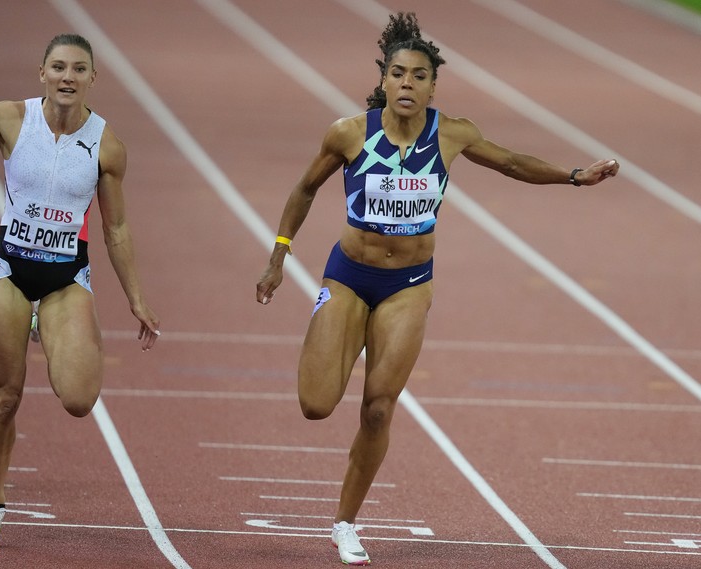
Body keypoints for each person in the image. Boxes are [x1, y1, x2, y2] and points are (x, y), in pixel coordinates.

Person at [255, 12, 618, 566]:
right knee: (316, 405)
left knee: (378, 408)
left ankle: (345, 524)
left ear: (432, 85)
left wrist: (573, 176)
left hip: (408, 285)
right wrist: (279, 255)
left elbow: (513, 163)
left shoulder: (453, 134)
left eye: (418, 76)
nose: (407, 84)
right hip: (350, 274)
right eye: (398, 74)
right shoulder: (350, 133)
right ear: (384, 80)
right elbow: (304, 189)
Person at [0, 34, 161, 549]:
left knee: (79, 398)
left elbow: (116, 229)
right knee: (5, 398)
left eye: (78, 68)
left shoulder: (106, 144)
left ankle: (43, 320)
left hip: (65, 278)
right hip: (9, 269)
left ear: (93, 78)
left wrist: (136, 298)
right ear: (42, 73)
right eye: (58, 67)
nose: (67, 76)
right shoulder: (10, 118)